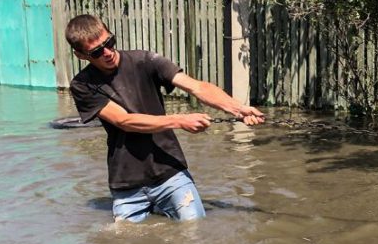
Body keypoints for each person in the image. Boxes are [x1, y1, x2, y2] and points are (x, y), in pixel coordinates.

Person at [65, 13, 264, 223]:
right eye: (97, 51)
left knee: (196, 233)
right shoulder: (82, 85)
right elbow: (124, 121)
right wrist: (179, 120)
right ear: (81, 55)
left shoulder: (144, 60)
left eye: (109, 42)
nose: (107, 52)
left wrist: (238, 109)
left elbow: (196, 86)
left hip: (170, 172)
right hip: (126, 183)